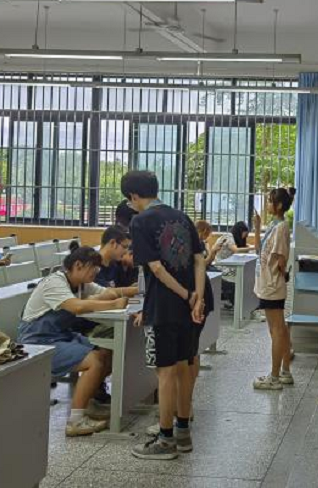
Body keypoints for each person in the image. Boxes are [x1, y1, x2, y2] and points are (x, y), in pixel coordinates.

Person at [121, 170, 206, 460]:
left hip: (163, 306)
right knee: (184, 368)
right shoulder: (182, 216)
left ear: (134, 196)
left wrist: (185, 295)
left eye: (129, 200)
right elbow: (199, 260)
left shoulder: (140, 221)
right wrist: (197, 298)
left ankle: (166, 439)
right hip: (188, 308)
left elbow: (156, 268)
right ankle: (183, 432)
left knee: (165, 372)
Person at [17, 246, 129, 437]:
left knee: (107, 352)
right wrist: (110, 304)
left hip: (61, 336)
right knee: (94, 361)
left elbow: (109, 292)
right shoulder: (55, 282)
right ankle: (75, 421)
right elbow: (76, 307)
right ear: (78, 265)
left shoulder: (81, 284)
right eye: (93, 268)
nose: (96, 272)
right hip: (37, 342)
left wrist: (126, 292)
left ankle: (88, 402)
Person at [252, 187, 296, 390]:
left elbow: (280, 260)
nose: (267, 204)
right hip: (268, 283)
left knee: (276, 329)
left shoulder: (282, 227)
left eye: (270, 201)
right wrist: (257, 227)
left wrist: (281, 273)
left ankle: (275, 377)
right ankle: (285, 371)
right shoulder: (274, 225)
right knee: (279, 328)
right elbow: (259, 250)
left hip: (272, 285)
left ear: (278, 205)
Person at [198, 220, 251, 308]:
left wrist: (213, 251)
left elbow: (209, 261)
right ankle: (237, 306)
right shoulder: (196, 245)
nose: (209, 236)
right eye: (208, 233)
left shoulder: (203, 243)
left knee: (238, 279)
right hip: (208, 270)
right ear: (203, 231)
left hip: (210, 268)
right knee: (231, 283)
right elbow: (201, 265)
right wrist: (212, 251)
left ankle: (236, 303)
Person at [95, 225, 138, 291]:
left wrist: (132, 287)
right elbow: (107, 292)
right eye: (124, 247)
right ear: (113, 243)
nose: (126, 251)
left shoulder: (114, 265)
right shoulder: (93, 266)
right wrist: (133, 290)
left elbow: (119, 289)